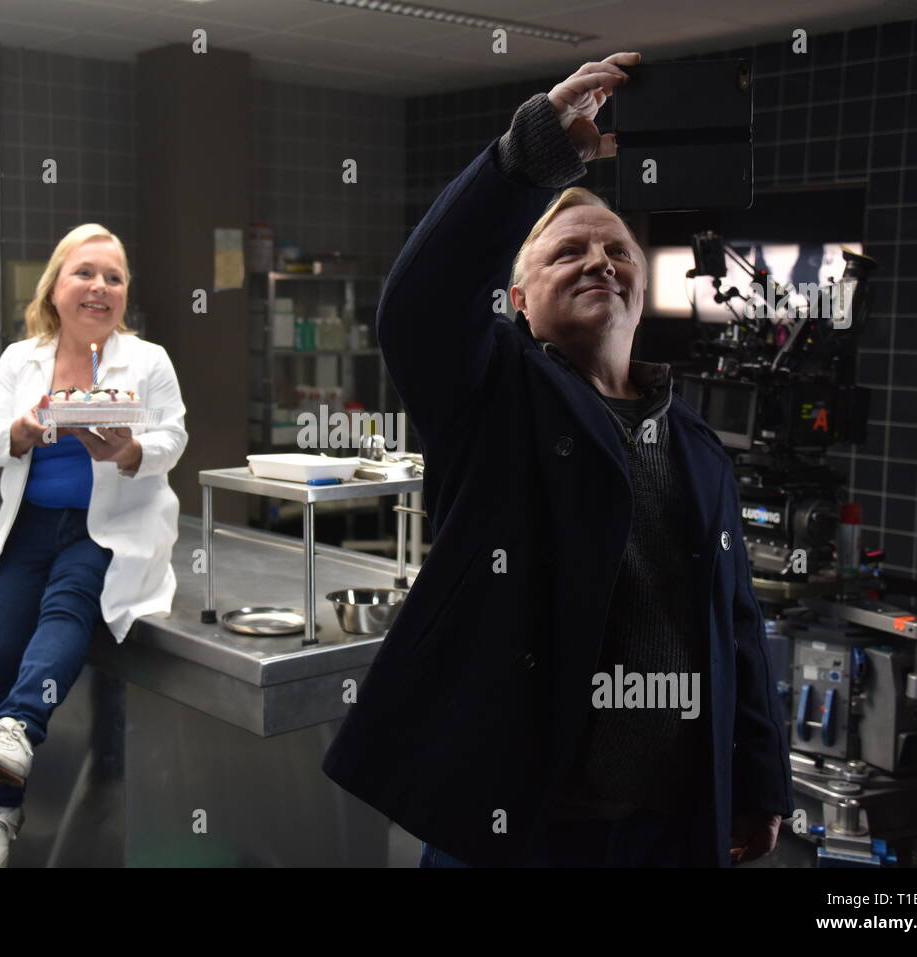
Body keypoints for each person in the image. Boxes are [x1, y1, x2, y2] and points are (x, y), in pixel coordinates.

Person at [322, 52, 794, 867]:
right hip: (522, 827)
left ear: (642, 290)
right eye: (566, 253)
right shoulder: (497, 398)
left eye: (616, 252)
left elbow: (735, 628)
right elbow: (420, 305)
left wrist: (759, 779)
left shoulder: (699, 448)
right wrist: (533, 156)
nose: (598, 261)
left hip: (665, 826)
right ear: (516, 301)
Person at [0, 223, 187, 867]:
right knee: (1, 646)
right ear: (55, 287)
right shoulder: (19, 359)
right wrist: (23, 431)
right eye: (85, 273)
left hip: (106, 525)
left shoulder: (146, 361)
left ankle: (20, 731)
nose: (100, 287)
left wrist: (132, 449)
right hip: (30, 523)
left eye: (114, 278)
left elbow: (173, 439)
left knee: (68, 606)